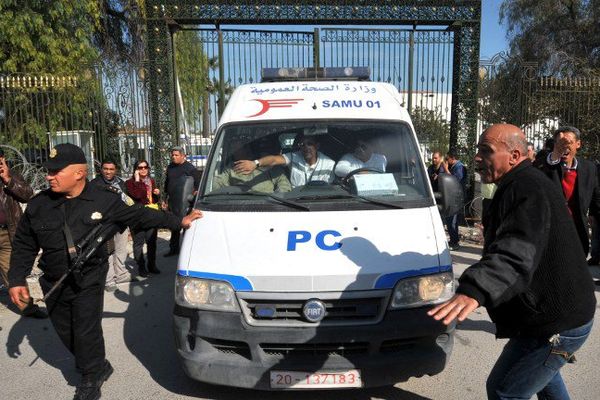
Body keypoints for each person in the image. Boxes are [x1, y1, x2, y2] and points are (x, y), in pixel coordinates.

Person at [7, 143, 202, 400]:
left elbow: (140, 215)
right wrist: (16, 279)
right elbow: (24, 244)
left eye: (56, 172)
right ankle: (98, 365)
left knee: (86, 328)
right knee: (66, 332)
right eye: (48, 171)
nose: (49, 176)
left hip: (89, 276)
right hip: (53, 281)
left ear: (79, 172)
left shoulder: (104, 199)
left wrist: (179, 222)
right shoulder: (39, 204)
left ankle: (90, 378)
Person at [428, 124, 596, 400]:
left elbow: (516, 248)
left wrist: (475, 288)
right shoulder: (517, 184)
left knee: (505, 390)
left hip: (558, 322)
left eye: (487, 151)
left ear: (515, 155)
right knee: (542, 380)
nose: (477, 158)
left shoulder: (527, 187)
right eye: (478, 150)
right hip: (545, 316)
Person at [539, 126, 600, 258]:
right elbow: (542, 172)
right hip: (550, 230)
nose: (564, 147)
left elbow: (596, 197)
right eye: (559, 143)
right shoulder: (544, 165)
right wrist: (555, 154)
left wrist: (594, 215)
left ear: (578, 144)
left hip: (577, 230)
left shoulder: (589, 168)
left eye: (569, 143)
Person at [0, 148, 47, 318]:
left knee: (13, 272)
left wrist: (8, 180)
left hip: (7, 234)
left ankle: (28, 308)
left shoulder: (12, 175)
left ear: (2, 159)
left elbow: (27, 195)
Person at [90, 160, 134, 291]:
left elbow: (127, 200)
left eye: (111, 169)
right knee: (108, 251)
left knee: (121, 249)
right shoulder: (94, 184)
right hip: (106, 224)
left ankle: (120, 274)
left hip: (121, 222)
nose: (108, 171)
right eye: (105, 169)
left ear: (115, 170)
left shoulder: (121, 182)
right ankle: (109, 280)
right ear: (101, 169)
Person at [233, 134, 335, 188]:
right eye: (302, 144)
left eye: (310, 144)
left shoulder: (329, 164)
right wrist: (255, 163)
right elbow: (273, 160)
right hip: (293, 203)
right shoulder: (293, 156)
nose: (306, 147)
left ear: (317, 146)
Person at [125, 159, 161, 277]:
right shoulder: (130, 183)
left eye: (145, 167)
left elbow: (153, 200)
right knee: (138, 243)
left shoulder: (151, 181)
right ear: (136, 170)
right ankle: (141, 266)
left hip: (151, 214)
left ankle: (152, 265)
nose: (143, 169)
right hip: (138, 216)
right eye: (140, 168)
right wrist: (136, 180)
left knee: (152, 242)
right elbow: (137, 195)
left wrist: (156, 194)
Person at [163, 146, 200, 257]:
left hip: (185, 202)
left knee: (185, 225)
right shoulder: (170, 167)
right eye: (172, 155)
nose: (174, 157)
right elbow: (167, 183)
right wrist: (165, 198)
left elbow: (197, 182)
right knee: (174, 225)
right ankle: (173, 249)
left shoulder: (190, 168)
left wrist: (195, 193)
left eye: (176, 155)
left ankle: (186, 250)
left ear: (183, 156)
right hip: (173, 200)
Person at [212, 142, 291, 193]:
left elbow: (284, 186)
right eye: (233, 149)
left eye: (237, 149)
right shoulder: (232, 167)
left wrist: (276, 201)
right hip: (236, 204)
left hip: (267, 205)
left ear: (247, 150)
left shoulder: (271, 167)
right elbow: (218, 182)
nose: (233, 152)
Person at [443, 151, 466, 250]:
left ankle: (455, 242)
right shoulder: (455, 167)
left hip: (456, 198)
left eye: (447, 159)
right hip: (452, 196)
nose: (447, 161)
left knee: (452, 220)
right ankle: (453, 239)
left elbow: (455, 181)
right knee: (449, 219)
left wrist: (446, 169)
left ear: (453, 158)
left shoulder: (459, 167)